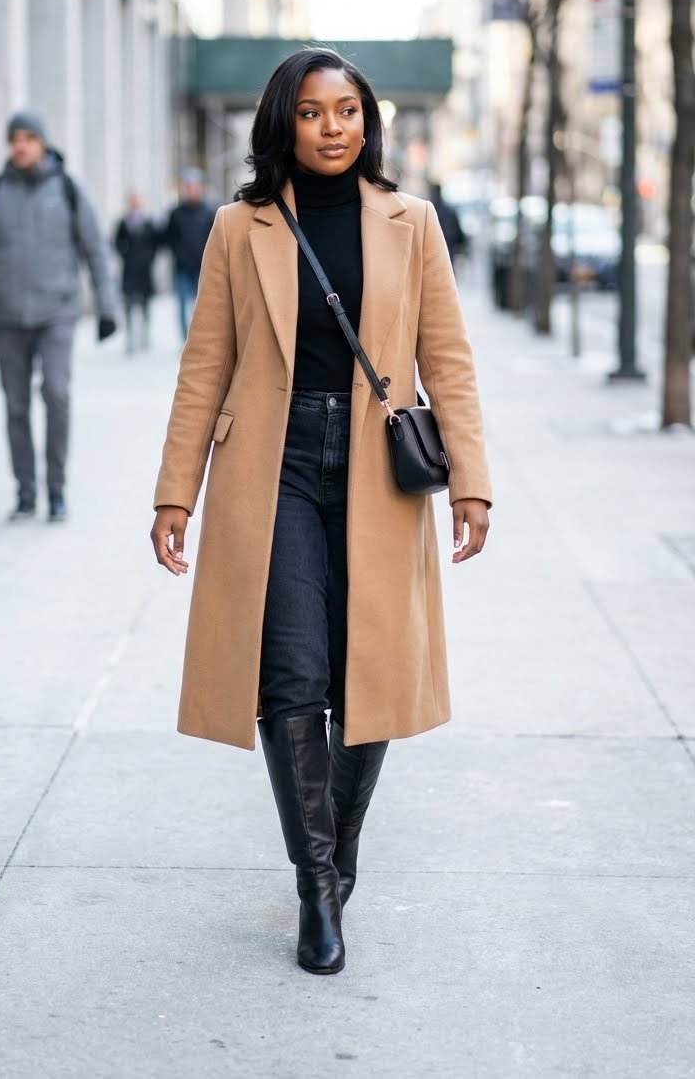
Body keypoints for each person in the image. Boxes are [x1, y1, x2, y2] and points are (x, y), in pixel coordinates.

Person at [150, 49, 492, 976]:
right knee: (291, 673)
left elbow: (447, 359)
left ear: (367, 122)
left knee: (372, 671)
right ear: (284, 124)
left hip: (378, 465)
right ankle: (316, 881)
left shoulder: (411, 223)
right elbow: (203, 366)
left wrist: (472, 480)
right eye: (313, 112)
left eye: (348, 110)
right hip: (277, 463)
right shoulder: (239, 226)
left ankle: (336, 850)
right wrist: (175, 489)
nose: (333, 127)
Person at [0, 109, 117, 523]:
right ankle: (26, 492)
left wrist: (107, 307)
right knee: (16, 406)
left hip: (57, 313)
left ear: (42, 142)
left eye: (28, 137)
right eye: (14, 138)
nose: (20, 145)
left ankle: (56, 490)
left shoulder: (67, 190)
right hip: (8, 317)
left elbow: (95, 249)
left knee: (57, 394)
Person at [164, 167, 216, 340]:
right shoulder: (175, 213)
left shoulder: (209, 212)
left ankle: (201, 338)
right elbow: (169, 238)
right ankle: (185, 340)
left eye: (194, 186)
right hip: (182, 268)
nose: (191, 190)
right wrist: (178, 253)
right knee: (181, 306)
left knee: (203, 306)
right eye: (188, 186)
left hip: (203, 267)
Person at [114, 192, 158, 354]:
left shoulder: (148, 222)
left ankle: (145, 336)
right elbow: (117, 242)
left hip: (144, 271)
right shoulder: (123, 222)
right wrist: (125, 255)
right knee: (129, 305)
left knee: (146, 305)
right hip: (129, 270)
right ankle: (130, 338)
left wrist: (149, 257)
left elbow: (155, 243)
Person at [429, 181, 468, 269]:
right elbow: (458, 232)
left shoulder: (429, 210)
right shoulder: (449, 210)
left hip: (436, 248)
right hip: (448, 248)